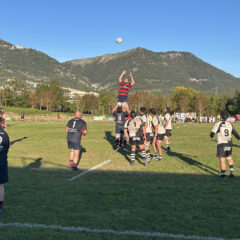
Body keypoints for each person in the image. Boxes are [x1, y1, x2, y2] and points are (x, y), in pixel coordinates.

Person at [210, 111, 240, 178]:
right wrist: (239, 138)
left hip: (221, 143)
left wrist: (212, 135)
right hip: (229, 143)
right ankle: (232, 171)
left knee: (222, 159)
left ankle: (223, 174)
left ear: (221, 117)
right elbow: (234, 132)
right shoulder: (230, 124)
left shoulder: (218, 124)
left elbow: (212, 134)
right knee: (229, 157)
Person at [0, 128, 10, 214]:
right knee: (0, 185)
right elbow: (7, 147)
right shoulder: (4, 133)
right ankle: (0, 206)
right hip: (2, 162)